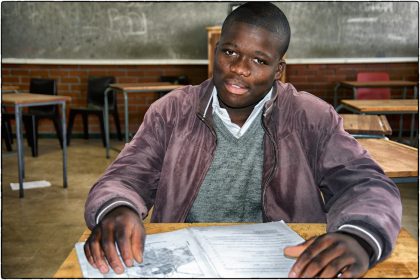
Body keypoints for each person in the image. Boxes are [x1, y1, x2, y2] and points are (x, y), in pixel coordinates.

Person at [83, 2, 402, 278]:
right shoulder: (173, 111)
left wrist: (358, 236)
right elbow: (126, 175)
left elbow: (364, 183)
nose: (238, 68)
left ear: (279, 69)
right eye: (230, 52)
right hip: (187, 262)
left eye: (259, 61)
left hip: (285, 263)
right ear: (216, 50)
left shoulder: (309, 116)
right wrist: (118, 209)